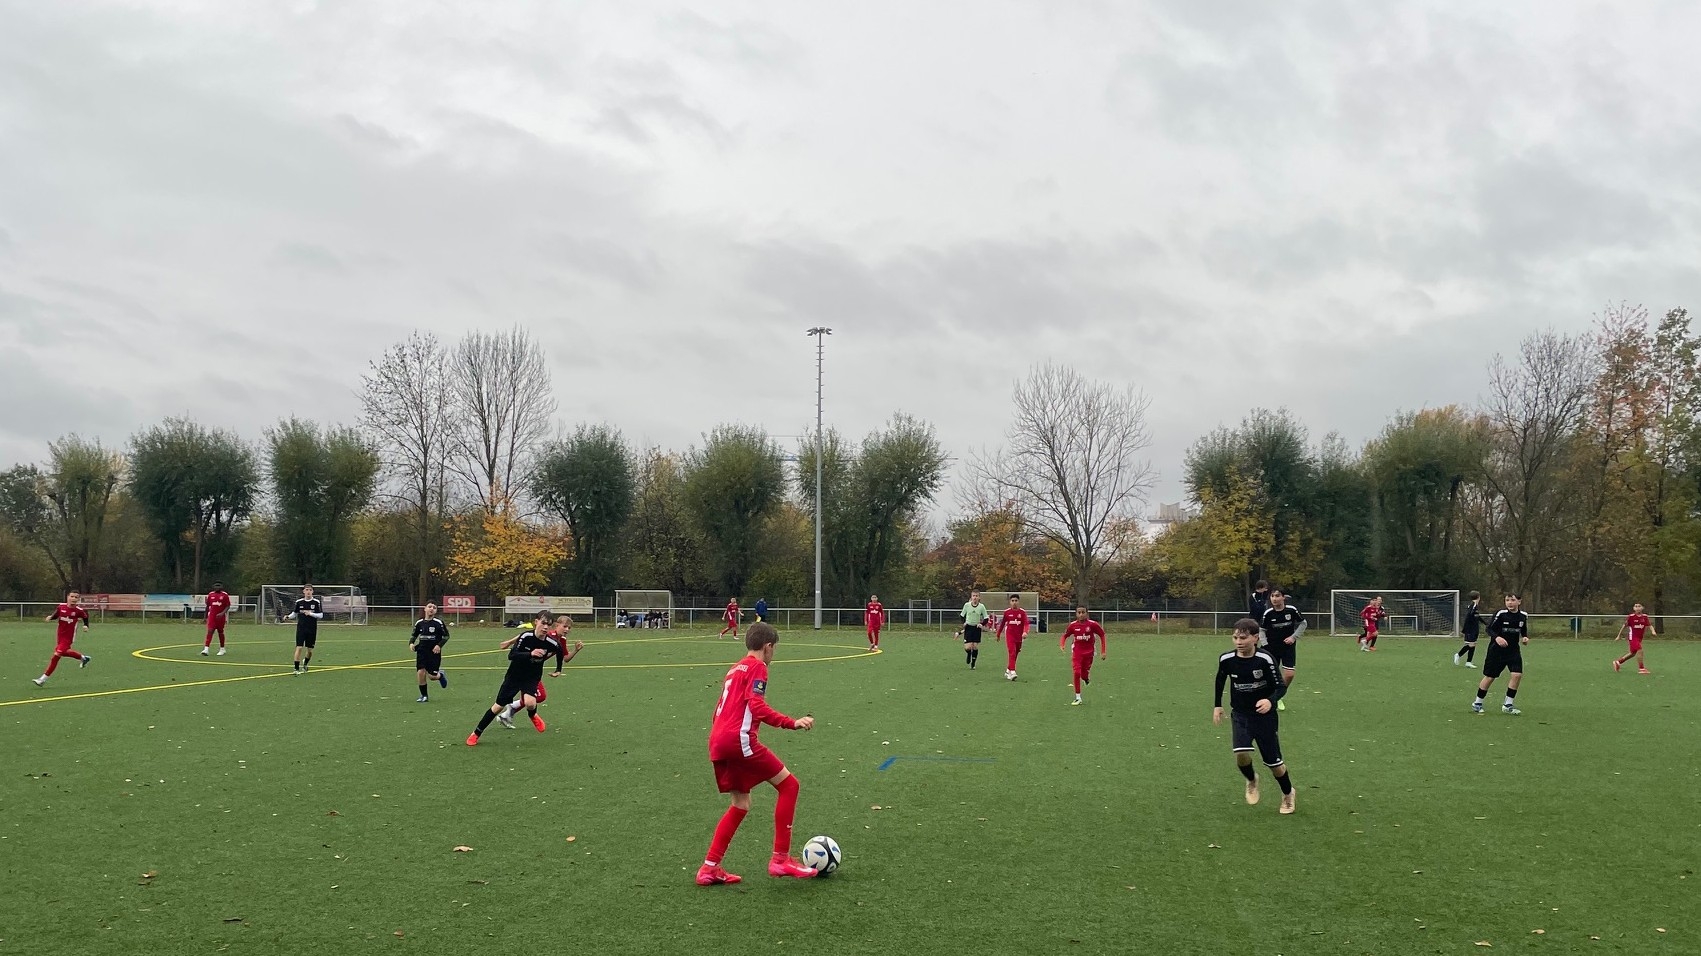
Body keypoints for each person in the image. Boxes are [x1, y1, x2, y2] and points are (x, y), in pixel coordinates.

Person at [696, 622, 818, 886]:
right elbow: (757, 705)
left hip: (718, 740)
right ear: (768, 646)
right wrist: (791, 722)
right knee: (789, 785)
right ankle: (780, 859)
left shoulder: (735, 668)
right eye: (775, 649)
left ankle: (709, 867)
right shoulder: (758, 667)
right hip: (738, 740)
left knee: (740, 804)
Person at [1213, 618, 1296, 814]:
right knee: (1241, 753)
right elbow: (1220, 679)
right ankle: (1251, 780)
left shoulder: (1265, 659)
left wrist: (1270, 701)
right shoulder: (1227, 659)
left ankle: (1288, 794)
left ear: (1255, 638)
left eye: (1243, 638)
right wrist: (1217, 705)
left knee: (1274, 764)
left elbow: (1280, 687)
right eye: (1235, 638)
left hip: (1264, 717)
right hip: (1240, 714)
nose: (1238, 642)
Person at [468, 613, 571, 745]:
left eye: (548, 625)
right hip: (514, 675)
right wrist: (530, 654)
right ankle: (476, 733)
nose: (545, 627)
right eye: (543, 623)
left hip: (531, 676)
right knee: (498, 707)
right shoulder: (526, 636)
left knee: (530, 703)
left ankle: (532, 715)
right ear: (536, 622)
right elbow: (512, 655)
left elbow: (560, 651)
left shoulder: (551, 642)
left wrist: (558, 670)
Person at [1472, 594, 1529, 715]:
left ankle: (1508, 704)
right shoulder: (1501, 614)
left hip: (1513, 651)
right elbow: (1489, 629)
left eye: (1512, 600)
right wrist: (1497, 638)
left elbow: (1523, 629)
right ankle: (1477, 702)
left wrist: (1525, 637)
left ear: (1519, 602)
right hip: (1496, 651)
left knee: (1517, 675)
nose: (1510, 602)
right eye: (1507, 600)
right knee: (1490, 677)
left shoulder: (1523, 616)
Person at [32, 590, 92, 686]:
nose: (73, 599)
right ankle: (83, 658)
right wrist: (50, 617)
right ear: (68, 597)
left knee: (56, 656)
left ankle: (42, 679)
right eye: (72, 596)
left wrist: (86, 625)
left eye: (76, 597)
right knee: (63, 652)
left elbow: (85, 617)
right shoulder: (61, 607)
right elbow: (56, 615)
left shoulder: (79, 611)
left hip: (68, 637)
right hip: (60, 635)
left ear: (78, 599)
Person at [1258, 589, 1304, 709]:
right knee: (1269, 675)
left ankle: (1278, 696)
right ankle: (1268, 698)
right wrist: (1265, 645)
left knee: (1289, 674)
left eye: (1277, 596)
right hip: (1271, 648)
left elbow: (1303, 623)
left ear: (1283, 597)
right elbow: (1262, 630)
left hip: (1287, 647)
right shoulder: (1268, 613)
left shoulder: (1292, 610)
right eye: (1272, 596)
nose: (1274, 598)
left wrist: (1293, 637)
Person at [1059, 607, 1106, 705]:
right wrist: (1062, 644)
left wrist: (1103, 651)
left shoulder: (1093, 625)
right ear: (1076, 614)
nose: (1081, 614)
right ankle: (1078, 697)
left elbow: (1102, 635)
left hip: (1089, 653)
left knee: (1084, 674)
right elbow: (1065, 635)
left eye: (1083, 612)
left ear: (1087, 613)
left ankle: (1086, 678)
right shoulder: (1073, 625)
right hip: (1077, 652)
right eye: (1079, 612)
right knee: (1076, 672)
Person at [409, 602, 451, 702]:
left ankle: (440, 675)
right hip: (421, 651)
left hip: (433, 652)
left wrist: (439, 645)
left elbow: (446, 636)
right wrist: (411, 643)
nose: (431, 609)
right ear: (425, 608)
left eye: (434, 607)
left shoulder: (438, 623)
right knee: (421, 672)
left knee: (432, 676)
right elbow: (414, 635)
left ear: (436, 611)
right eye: (429, 607)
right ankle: (424, 696)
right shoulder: (419, 623)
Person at [286, 585, 323, 673]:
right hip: (301, 628)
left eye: (310, 590)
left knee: (309, 650)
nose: (308, 591)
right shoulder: (299, 602)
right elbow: (294, 613)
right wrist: (288, 617)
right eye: (307, 590)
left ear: (312, 591)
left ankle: (305, 663)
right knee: (299, 647)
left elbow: (321, 615)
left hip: (312, 629)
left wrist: (311, 614)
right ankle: (296, 668)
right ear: (303, 591)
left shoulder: (316, 602)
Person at [997, 594, 1031, 681]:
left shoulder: (1022, 612)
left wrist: (1025, 632)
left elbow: (1026, 623)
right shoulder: (1007, 612)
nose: (1014, 602)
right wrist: (998, 634)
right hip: (1010, 635)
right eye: (1012, 601)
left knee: (1016, 653)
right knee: (1012, 652)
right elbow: (1002, 624)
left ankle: (1008, 670)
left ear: (1018, 602)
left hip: (1019, 636)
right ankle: (1012, 671)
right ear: (1010, 602)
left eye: (1016, 601)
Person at [1613, 602, 1655, 674]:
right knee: (1640, 650)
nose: (1637, 608)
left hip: (1639, 638)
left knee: (1633, 653)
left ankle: (1618, 662)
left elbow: (1649, 625)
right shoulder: (1631, 617)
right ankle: (1641, 669)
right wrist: (1618, 636)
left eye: (1639, 606)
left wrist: (1653, 631)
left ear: (1642, 608)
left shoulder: (1644, 617)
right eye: (1636, 606)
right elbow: (1624, 626)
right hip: (1633, 637)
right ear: (1634, 608)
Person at [959, 591, 989, 669]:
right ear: (971, 597)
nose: (975, 597)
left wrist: (981, 624)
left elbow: (986, 618)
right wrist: (964, 622)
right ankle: (969, 654)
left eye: (976, 596)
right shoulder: (967, 605)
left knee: (975, 646)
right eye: (973, 596)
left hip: (976, 628)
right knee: (968, 647)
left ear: (979, 597)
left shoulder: (981, 606)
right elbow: (962, 615)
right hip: (968, 627)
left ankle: (973, 664)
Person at [201, 583, 232, 656]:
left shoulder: (224, 595)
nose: (217, 587)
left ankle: (222, 648)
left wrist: (222, 613)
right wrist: (205, 617)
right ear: (213, 587)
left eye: (219, 586)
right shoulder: (211, 594)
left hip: (220, 617)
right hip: (212, 617)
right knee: (210, 631)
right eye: (216, 586)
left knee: (220, 632)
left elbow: (228, 606)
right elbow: (207, 606)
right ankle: (206, 649)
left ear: (222, 587)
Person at [1454, 591, 1483, 667]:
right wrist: (1465, 629)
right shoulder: (1473, 605)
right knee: (1471, 644)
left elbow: (1477, 616)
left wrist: (1486, 623)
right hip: (1470, 629)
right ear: (1478, 597)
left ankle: (1468, 662)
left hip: (1474, 628)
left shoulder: (1475, 606)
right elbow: (1469, 616)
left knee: (1473, 644)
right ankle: (1458, 655)